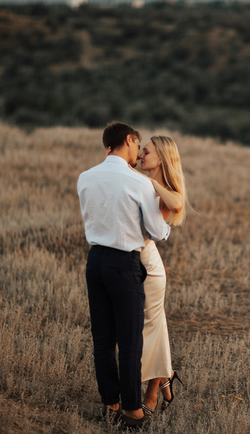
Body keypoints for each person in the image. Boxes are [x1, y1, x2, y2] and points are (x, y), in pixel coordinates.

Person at [77, 122, 171, 428]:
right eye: (138, 144)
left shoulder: (85, 178)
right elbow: (157, 231)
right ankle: (133, 410)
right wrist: (165, 223)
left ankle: (110, 401)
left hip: (95, 262)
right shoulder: (139, 183)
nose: (138, 152)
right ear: (128, 141)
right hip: (124, 263)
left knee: (103, 337)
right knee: (131, 340)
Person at [135, 136, 188, 415]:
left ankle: (152, 392)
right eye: (141, 150)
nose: (141, 155)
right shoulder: (138, 182)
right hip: (132, 261)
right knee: (154, 327)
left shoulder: (164, 188)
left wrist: (151, 183)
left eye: (146, 151)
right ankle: (165, 373)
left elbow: (177, 203)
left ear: (162, 159)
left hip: (149, 267)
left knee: (152, 329)